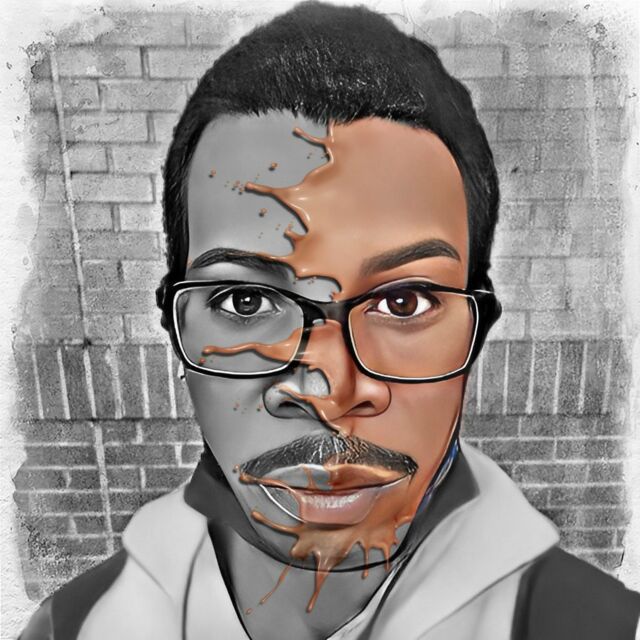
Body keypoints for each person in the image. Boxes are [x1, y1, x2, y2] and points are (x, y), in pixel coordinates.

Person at [20, 2, 640, 639]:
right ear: (178, 332)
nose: (327, 391)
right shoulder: (70, 629)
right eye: (245, 301)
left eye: (404, 302)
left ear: (475, 332)